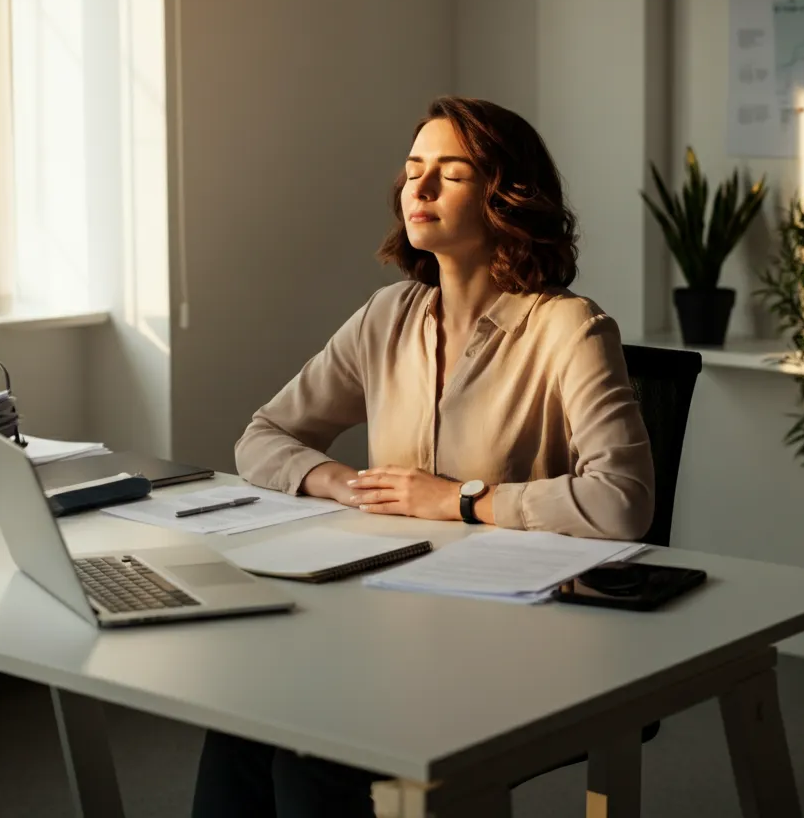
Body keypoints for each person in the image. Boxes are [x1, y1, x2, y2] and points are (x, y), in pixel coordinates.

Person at [191, 96, 654, 817]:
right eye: (413, 171)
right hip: (393, 622)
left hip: (521, 636)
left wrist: (459, 500)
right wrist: (338, 482)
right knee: (243, 726)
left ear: (507, 196)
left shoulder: (570, 327)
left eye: (451, 173)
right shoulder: (389, 315)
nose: (420, 189)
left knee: (318, 760)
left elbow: (622, 501)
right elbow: (262, 436)